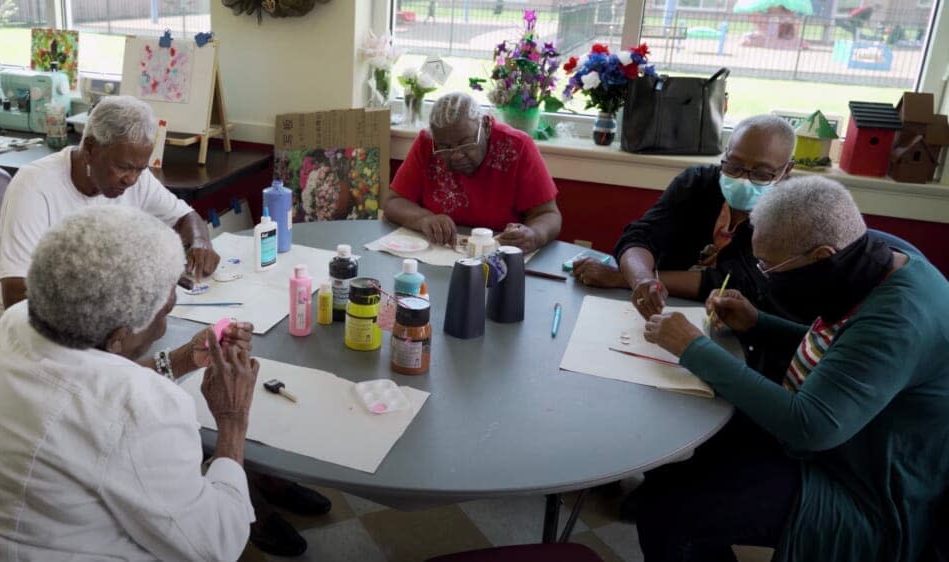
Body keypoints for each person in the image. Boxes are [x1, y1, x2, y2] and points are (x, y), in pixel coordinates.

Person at [639, 177, 949, 562]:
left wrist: (694, 348)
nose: (764, 276)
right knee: (674, 450)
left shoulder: (899, 320)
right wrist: (758, 323)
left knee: (669, 513)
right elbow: (845, 351)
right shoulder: (878, 259)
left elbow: (810, 426)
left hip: (863, 488)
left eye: (768, 267)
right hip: (840, 443)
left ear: (822, 256)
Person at [0, 206, 258, 560]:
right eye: (165, 313)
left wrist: (181, 360)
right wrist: (232, 420)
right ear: (118, 337)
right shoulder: (145, 409)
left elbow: (91, 393)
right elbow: (216, 545)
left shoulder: (15, 323)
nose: (164, 324)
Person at [572, 114, 796, 379]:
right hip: (659, 317)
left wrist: (624, 278)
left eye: (760, 173)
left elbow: (738, 282)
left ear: (786, 171)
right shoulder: (698, 183)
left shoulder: (790, 213)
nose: (742, 179)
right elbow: (641, 235)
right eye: (733, 166)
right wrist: (641, 278)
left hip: (736, 342)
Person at [0, 95, 220, 315]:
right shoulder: (34, 186)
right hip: (37, 328)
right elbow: (16, 295)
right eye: (123, 167)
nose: (131, 179)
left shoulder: (135, 178)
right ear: (91, 149)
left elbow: (185, 216)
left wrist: (200, 242)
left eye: (140, 169)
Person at [383, 92, 562, 253]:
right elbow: (394, 202)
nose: (456, 155)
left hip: (499, 259)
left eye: (466, 143)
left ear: (484, 125)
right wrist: (424, 219)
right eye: (444, 147)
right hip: (439, 253)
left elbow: (548, 214)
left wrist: (534, 235)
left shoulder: (518, 145)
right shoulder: (427, 142)